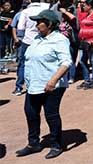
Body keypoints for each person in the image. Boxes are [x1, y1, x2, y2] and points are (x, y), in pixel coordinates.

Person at [16, 9, 71, 159]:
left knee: (51, 115)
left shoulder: (59, 39)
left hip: (51, 85)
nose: (36, 25)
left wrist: (53, 80)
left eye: (39, 22)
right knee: (31, 113)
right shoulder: (37, 38)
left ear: (50, 24)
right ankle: (33, 143)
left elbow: (66, 62)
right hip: (34, 85)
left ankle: (56, 144)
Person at [14, 0, 49, 96]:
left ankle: (19, 87)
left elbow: (20, 28)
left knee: (23, 63)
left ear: (30, 1)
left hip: (28, 40)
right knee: (41, 63)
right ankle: (39, 85)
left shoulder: (25, 12)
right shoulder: (45, 10)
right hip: (42, 40)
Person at [51, 0, 79, 83]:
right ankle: (63, 76)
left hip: (72, 37)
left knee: (71, 57)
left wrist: (65, 12)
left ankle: (71, 76)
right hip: (58, 36)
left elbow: (75, 19)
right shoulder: (54, 8)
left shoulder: (73, 8)